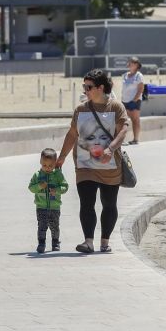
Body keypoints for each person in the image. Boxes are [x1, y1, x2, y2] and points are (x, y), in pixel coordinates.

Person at [57, 69, 130, 254]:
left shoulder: (116, 107)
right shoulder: (81, 109)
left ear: (101, 87)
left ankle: (104, 242)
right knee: (86, 204)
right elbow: (72, 134)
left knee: (109, 204)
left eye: (88, 87)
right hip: (85, 166)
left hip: (110, 166)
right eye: (84, 86)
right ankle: (88, 241)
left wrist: (110, 149)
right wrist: (62, 156)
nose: (85, 90)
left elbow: (122, 131)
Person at [28, 148, 68, 254]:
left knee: (55, 226)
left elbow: (65, 187)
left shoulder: (58, 175)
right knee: (42, 226)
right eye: (44, 165)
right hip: (41, 207)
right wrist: (39, 186)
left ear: (55, 163)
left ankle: (55, 242)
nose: (47, 168)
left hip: (55, 207)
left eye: (50, 166)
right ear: (40, 162)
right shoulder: (37, 175)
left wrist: (57, 191)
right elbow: (31, 188)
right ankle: (41, 243)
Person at [120, 57, 145, 145]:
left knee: (135, 120)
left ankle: (135, 139)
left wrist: (134, 99)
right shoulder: (125, 75)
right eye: (130, 62)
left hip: (134, 101)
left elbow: (141, 88)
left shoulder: (139, 75)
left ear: (137, 65)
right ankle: (122, 139)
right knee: (123, 120)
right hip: (124, 101)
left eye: (133, 63)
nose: (130, 64)